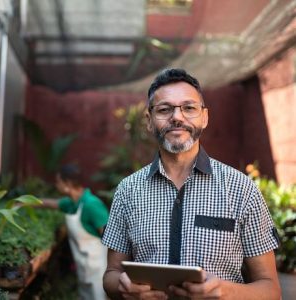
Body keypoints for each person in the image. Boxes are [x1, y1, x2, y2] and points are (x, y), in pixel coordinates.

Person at [101, 68, 281, 299]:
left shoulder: (241, 189)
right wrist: (123, 287)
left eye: (189, 108)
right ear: (149, 120)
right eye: (165, 109)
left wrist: (224, 291)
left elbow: (271, 290)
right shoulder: (128, 190)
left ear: (204, 117)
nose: (177, 117)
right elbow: (111, 274)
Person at [41, 164, 109, 300]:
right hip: (83, 266)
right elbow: (50, 203)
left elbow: (110, 237)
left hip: (98, 269)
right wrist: (22, 202)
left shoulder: (91, 204)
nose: (56, 185)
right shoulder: (72, 203)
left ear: (67, 184)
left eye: (58, 182)